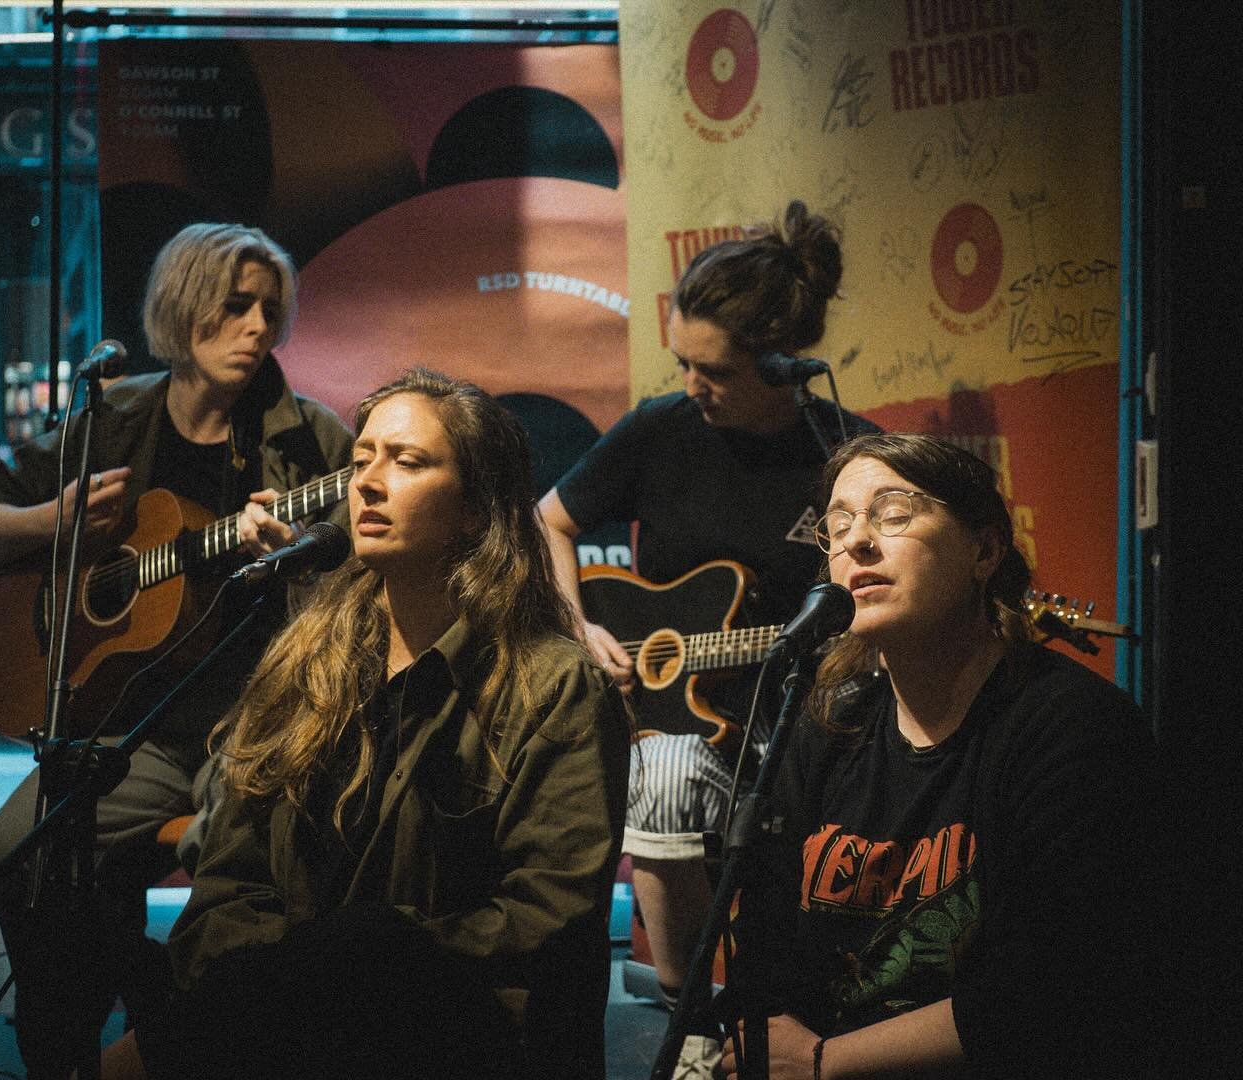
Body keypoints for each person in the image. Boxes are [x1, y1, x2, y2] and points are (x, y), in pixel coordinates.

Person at [96, 368, 631, 1080]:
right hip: (284, 1025)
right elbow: (232, 880)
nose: (368, 483)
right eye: (360, 461)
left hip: (466, 1033)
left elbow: (549, 918)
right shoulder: (305, 664)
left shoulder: (554, 685)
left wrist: (338, 967)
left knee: (367, 941)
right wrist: (291, 981)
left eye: (407, 462)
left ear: (474, 509)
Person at [0, 222, 353, 1078]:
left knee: (243, 864)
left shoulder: (308, 442)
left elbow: (360, 568)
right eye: (234, 307)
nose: (255, 328)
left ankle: (185, 1041)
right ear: (183, 308)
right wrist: (52, 524)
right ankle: (70, 1039)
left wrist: (286, 555)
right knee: (8, 855)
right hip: (134, 729)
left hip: (256, 723)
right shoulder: (114, 416)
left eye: (268, 311)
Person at [720, 433, 1164, 1079]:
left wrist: (824, 1061)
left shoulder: (1072, 728)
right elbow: (766, 935)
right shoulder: (827, 719)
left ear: (983, 550)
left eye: (894, 515)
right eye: (838, 525)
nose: (857, 542)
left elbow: (1058, 982)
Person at [538, 201, 876, 1018]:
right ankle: (687, 1015)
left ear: (783, 364)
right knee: (665, 772)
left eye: (714, 372)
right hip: (666, 718)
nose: (692, 387)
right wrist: (580, 626)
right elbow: (549, 518)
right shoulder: (662, 429)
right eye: (683, 362)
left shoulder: (846, 454)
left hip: (800, 714)